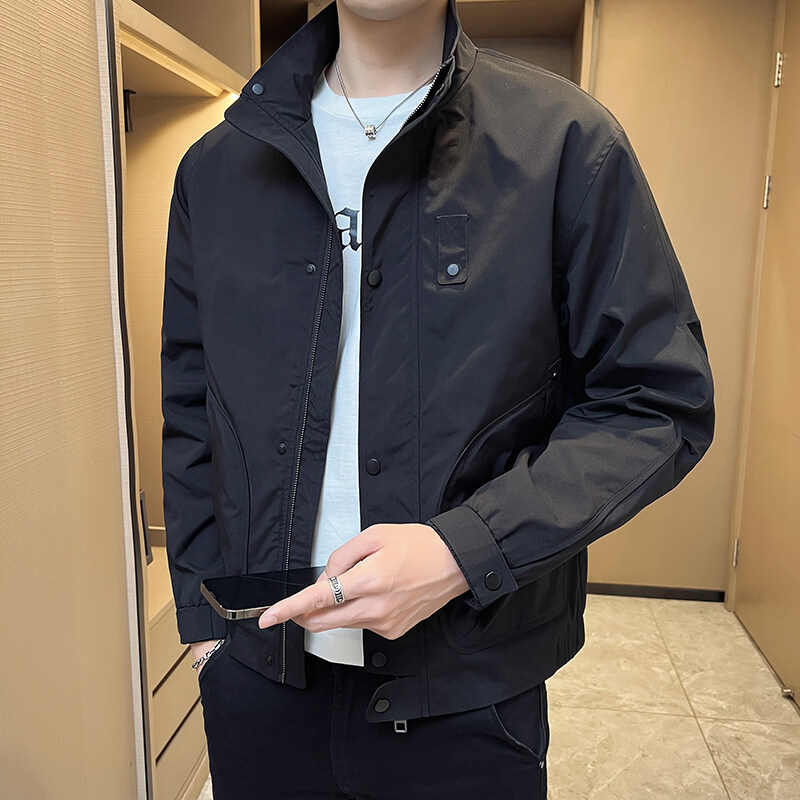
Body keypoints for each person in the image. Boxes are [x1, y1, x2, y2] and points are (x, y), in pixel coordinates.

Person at [160, 0, 715, 797]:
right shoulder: (217, 168)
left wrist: (466, 550)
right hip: (259, 682)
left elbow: (657, 401)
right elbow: (192, 406)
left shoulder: (564, 144)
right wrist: (206, 626)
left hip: (467, 695)